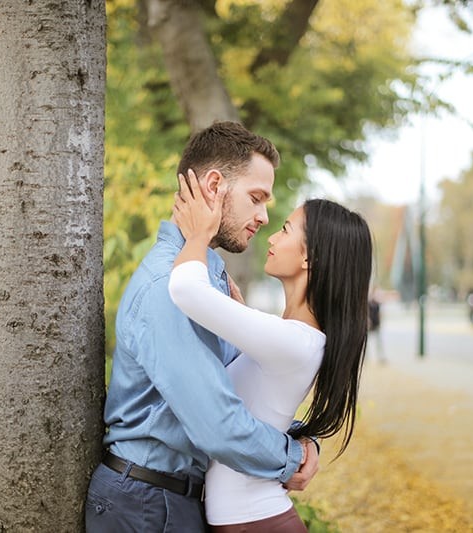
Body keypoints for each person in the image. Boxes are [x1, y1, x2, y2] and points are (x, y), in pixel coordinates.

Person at [84, 122, 319, 533]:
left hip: (170, 499)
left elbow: (238, 386)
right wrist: (289, 458)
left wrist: (301, 438)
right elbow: (219, 424)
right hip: (146, 504)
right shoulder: (168, 288)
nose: (264, 216)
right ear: (214, 185)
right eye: (257, 198)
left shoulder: (206, 275)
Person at [168, 171, 373, 531]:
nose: (272, 236)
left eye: (286, 230)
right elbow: (259, 410)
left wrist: (199, 235)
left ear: (310, 258)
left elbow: (186, 289)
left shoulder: (294, 341)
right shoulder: (293, 338)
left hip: (256, 521)